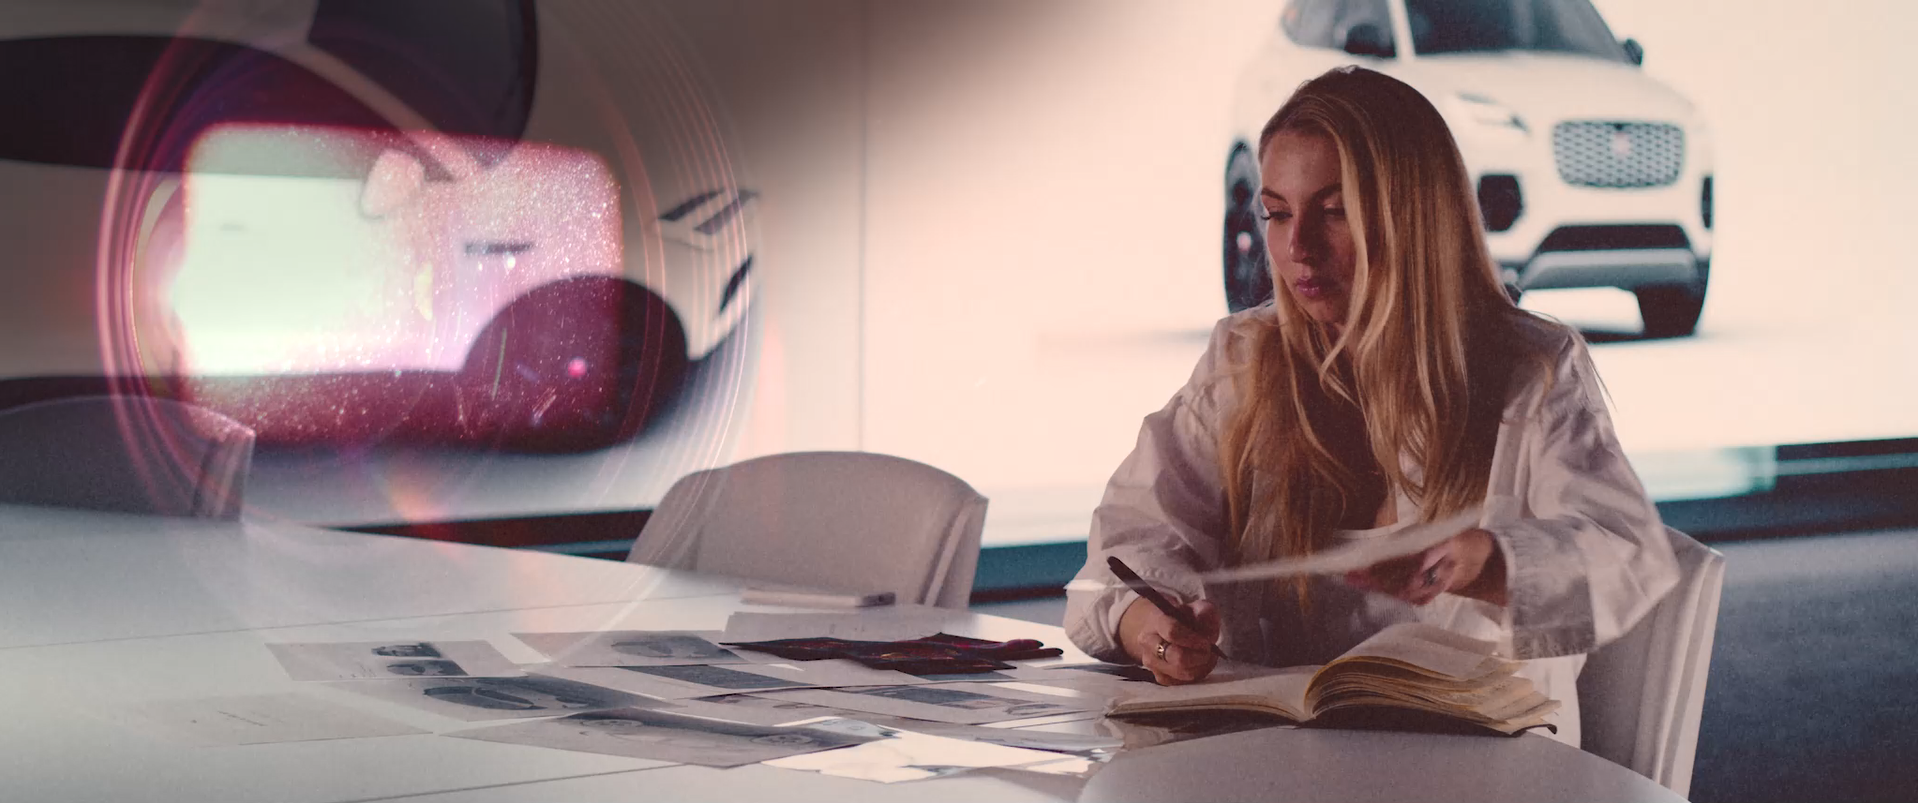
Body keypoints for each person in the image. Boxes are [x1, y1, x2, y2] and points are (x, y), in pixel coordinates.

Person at [1063, 66, 1681, 747]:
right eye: (1276, 213)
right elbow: (1122, 552)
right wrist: (1150, 624)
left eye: (1334, 211)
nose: (1298, 246)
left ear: (1415, 215)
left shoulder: (1530, 368)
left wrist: (1491, 560)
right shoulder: (1243, 361)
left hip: (1478, 773)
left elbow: (1627, 553)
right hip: (1266, 767)